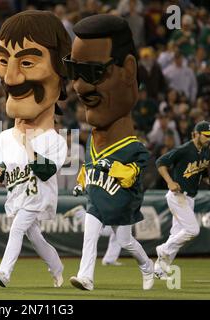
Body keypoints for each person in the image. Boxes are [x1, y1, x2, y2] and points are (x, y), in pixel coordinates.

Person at [63, 14, 154, 291]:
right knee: (89, 235)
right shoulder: (92, 142)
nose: (78, 85)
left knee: (126, 241)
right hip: (97, 201)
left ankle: (148, 267)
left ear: (128, 70)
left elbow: (138, 170)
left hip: (121, 204)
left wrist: (123, 173)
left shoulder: (131, 146)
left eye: (92, 72)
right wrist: (82, 184)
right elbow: (90, 168)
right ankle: (86, 277)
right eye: (73, 70)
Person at [0, 11, 71, 288]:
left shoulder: (55, 139)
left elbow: (46, 171)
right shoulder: (5, 137)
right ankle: (57, 267)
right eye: (3, 61)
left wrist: (29, 147)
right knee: (35, 238)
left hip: (37, 199)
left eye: (26, 62)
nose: (11, 78)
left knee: (16, 231)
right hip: (16, 196)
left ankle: (4, 273)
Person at [154, 120, 210, 278]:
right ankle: (163, 249)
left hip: (190, 198)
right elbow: (160, 162)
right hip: (178, 196)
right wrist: (170, 181)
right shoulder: (184, 149)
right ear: (195, 134)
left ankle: (159, 270)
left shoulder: (205, 152)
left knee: (176, 233)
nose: (209, 138)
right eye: (206, 135)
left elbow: (202, 176)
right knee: (192, 230)